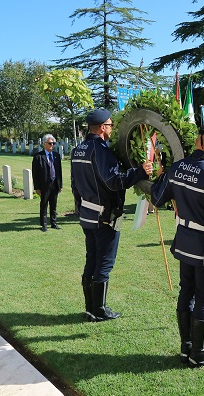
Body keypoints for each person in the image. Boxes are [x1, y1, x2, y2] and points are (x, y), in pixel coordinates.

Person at [150, 123, 204, 368]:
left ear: (198, 142)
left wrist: (161, 175)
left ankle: (186, 348)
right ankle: (198, 353)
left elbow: (157, 197)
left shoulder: (178, 168)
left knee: (186, 292)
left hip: (184, 243)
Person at [70, 109, 153, 321]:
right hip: (104, 216)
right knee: (104, 263)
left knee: (91, 260)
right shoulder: (100, 149)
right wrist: (140, 172)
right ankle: (99, 310)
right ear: (101, 128)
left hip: (87, 215)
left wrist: (81, 209)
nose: (112, 128)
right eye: (110, 125)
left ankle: (90, 308)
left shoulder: (78, 150)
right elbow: (113, 181)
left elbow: (75, 185)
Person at [32, 134, 63, 232]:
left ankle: (53, 223)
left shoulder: (56, 155)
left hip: (54, 184)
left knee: (53, 205)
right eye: (50, 143)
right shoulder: (38, 156)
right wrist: (37, 187)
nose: (52, 145)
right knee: (44, 205)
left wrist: (60, 185)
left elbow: (59, 171)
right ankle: (44, 224)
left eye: (53, 143)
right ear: (44, 144)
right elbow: (35, 173)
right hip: (44, 185)